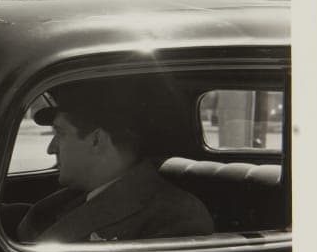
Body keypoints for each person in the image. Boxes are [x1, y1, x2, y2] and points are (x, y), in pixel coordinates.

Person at [14, 79, 213, 242]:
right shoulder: (70, 197)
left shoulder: (175, 216)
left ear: (96, 141)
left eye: (60, 133)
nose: (50, 148)